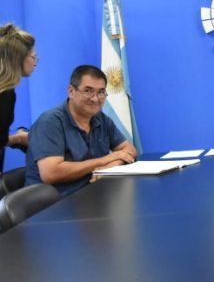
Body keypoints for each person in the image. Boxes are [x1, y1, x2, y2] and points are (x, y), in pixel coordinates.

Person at [25, 65, 136, 196]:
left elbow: (129, 150)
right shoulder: (50, 122)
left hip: (93, 194)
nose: (95, 99)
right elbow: (50, 173)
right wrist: (103, 161)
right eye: (88, 91)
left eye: (101, 92)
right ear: (71, 91)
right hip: (56, 201)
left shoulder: (100, 118)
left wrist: (111, 165)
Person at [0, 24, 37, 172]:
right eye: (33, 57)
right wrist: (20, 138)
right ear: (19, 58)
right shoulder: (6, 94)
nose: (35, 62)